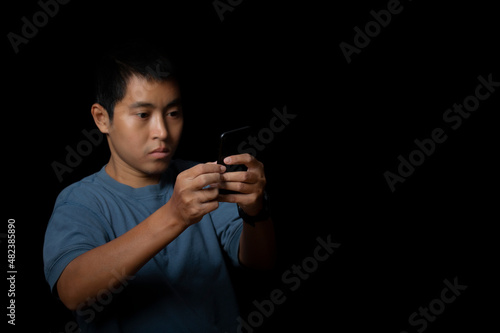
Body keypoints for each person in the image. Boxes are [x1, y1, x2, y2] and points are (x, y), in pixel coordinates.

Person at [43, 42, 276, 332]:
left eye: (173, 113)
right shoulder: (81, 202)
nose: (162, 132)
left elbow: (261, 262)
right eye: (143, 115)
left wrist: (255, 211)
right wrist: (175, 216)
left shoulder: (200, 179)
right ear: (102, 118)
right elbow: (73, 292)